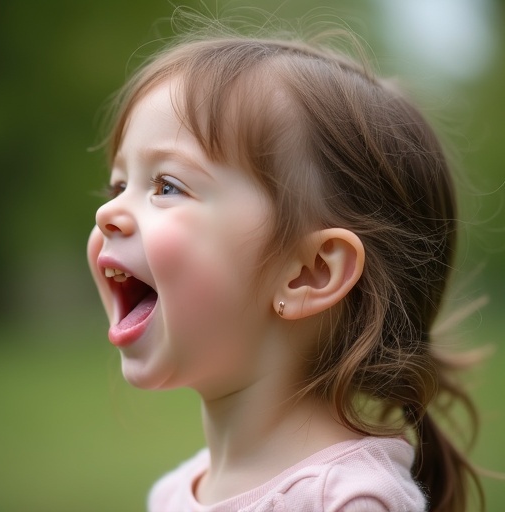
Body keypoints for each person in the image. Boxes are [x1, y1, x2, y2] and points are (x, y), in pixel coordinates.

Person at [87, 12, 485, 512]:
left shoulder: (350, 501)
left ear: (309, 273)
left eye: (167, 186)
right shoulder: (174, 492)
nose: (108, 212)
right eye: (120, 185)